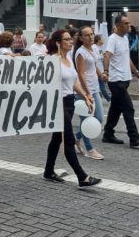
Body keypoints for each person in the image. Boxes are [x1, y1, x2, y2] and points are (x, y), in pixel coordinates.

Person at [42, 30, 102, 189]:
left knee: (56, 138)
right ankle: (82, 177)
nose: (71, 41)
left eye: (70, 39)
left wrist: (85, 96)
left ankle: (48, 171)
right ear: (58, 43)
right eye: (66, 39)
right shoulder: (52, 60)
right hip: (58, 103)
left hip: (69, 102)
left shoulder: (67, 57)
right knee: (68, 140)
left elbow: (74, 82)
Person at [102, 14, 139, 148]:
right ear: (118, 25)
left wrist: (137, 73)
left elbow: (127, 59)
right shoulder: (112, 39)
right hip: (116, 80)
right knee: (128, 108)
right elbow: (106, 56)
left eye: (129, 23)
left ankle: (108, 134)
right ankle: (134, 137)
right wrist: (105, 72)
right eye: (126, 23)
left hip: (125, 79)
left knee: (115, 109)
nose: (129, 25)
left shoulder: (125, 38)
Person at [73, 27, 105, 160]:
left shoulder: (93, 49)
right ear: (81, 38)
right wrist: (86, 92)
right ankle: (89, 149)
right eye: (87, 35)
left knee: (98, 118)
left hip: (94, 88)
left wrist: (101, 74)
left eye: (92, 34)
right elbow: (80, 73)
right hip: (84, 91)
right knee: (86, 120)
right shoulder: (80, 52)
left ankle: (76, 137)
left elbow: (94, 65)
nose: (91, 37)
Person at [93, 34, 111, 102]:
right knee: (102, 85)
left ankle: (108, 98)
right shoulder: (94, 47)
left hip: (101, 69)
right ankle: (109, 98)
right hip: (97, 70)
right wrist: (103, 56)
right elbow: (95, 58)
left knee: (102, 84)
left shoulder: (100, 48)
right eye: (102, 38)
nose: (103, 40)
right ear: (98, 40)